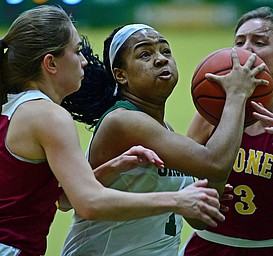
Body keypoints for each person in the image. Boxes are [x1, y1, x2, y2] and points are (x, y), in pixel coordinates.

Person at [0, 5, 235, 256]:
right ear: (51, 63)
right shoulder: (48, 115)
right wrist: (179, 200)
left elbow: (61, 199)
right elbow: (89, 203)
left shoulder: (15, 106)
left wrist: (113, 168)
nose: (85, 61)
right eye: (77, 51)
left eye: (166, 50)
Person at [60, 22, 268, 255]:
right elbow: (214, 163)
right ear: (121, 75)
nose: (160, 59)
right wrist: (236, 95)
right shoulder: (123, 121)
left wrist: (213, 188)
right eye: (145, 54)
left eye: (165, 50)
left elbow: (201, 220)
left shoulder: (165, 131)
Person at [179, 6, 273, 256]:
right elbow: (183, 167)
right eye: (240, 42)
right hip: (211, 242)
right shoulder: (213, 111)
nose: (246, 49)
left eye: (259, 42)